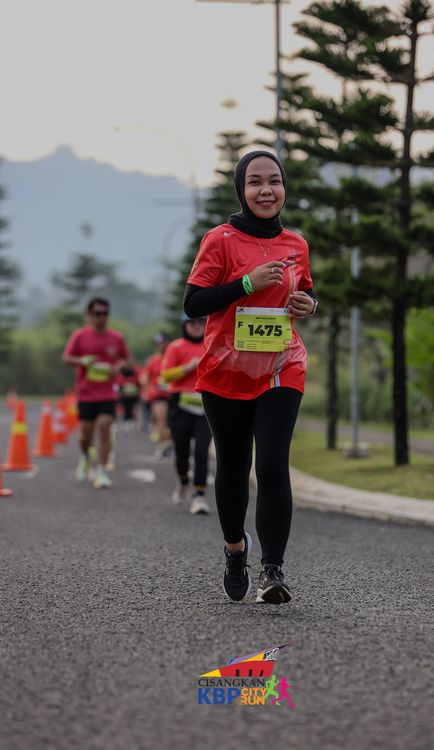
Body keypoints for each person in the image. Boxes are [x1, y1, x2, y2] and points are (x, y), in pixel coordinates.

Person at [184, 150, 317, 604]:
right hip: (227, 371)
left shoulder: (296, 243)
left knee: (274, 464)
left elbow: (304, 291)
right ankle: (235, 549)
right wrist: (245, 284)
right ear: (241, 189)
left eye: (274, 181)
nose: (266, 190)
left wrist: (308, 304)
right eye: (255, 182)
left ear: (284, 187)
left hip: (281, 367)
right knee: (234, 466)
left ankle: (272, 570)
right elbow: (194, 303)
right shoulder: (219, 240)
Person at [62, 297, 129, 488]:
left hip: (108, 393)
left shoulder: (116, 338)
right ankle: (85, 456)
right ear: (89, 315)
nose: (102, 317)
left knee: (105, 427)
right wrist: (82, 361)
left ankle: (101, 471)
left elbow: (125, 359)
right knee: (85, 436)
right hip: (86, 393)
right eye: (98, 313)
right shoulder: (80, 336)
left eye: (105, 313)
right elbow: (66, 358)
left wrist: (117, 368)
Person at [160, 315, 212, 515]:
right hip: (180, 405)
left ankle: (199, 495)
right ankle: (183, 481)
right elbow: (165, 376)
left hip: (205, 404)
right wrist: (188, 367)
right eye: (192, 323)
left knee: (201, 451)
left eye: (201, 322)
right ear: (185, 325)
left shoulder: (211, 344)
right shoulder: (176, 346)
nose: (197, 327)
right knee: (181, 452)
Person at [140, 332, 172, 458]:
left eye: (163, 342)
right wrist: (148, 387)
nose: (161, 345)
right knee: (161, 419)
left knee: (172, 422)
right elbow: (144, 377)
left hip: (174, 394)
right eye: (158, 343)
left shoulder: (173, 356)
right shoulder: (153, 360)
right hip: (158, 395)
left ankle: (169, 443)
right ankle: (161, 445)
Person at [116, 362, 141, 429]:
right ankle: (125, 421)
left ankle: (134, 422)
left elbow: (138, 384)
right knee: (124, 409)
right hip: (124, 396)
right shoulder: (121, 375)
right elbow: (119, 385)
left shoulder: (135, 374)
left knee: (134, 409)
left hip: (134, 396)